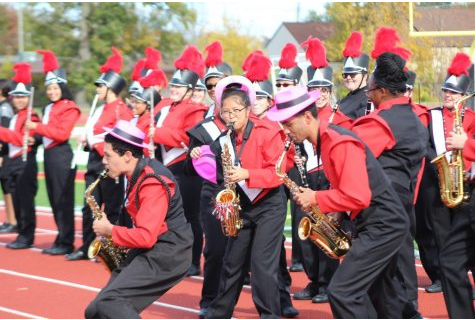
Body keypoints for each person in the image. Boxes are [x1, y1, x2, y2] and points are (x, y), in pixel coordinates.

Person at [267, 86, 409, 319]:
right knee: (382, 296)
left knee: (343, 292)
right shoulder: (326, 140)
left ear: (308, 116)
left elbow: (359, 196)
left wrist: (316, 198)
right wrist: (337, 212)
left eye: (288, 124)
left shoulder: (337, 141)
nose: (285, 131)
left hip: (383, 224)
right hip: (377, 223)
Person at [193, 76, 290, 318]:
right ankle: (219, 311)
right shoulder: (224, 138)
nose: (230, 116)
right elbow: (209, 159)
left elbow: (278, 173)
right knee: (232, 261)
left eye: (236, 110)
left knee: (261, 265)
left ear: (248, 110)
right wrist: (197, 152)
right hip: (243, 204)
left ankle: (270, 314)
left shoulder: (267, 131)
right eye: (225, 112)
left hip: (269, 204)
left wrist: (247, 173)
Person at [84, 120, 193, 319]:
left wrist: (109, 230)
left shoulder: (152, 182)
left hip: (168, 253)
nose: (104, 161)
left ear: (127, 156)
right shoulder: (135, 173)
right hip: (152, 249)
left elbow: (145, 237)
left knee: (111, 303)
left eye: (108, 156)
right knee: (94, 311)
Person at [352, 48, 427, 318]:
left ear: (382, 91)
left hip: (379, 212)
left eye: (370, 86)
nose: (368, 90)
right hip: (404, 206)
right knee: (396, 273)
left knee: (355, 286)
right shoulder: (416, 119)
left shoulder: (379, 123)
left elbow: (351, 158)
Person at [292, 37, 352, 305]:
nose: (319, 94)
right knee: (306, 235)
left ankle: (328, 284)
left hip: (329, 179)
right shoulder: (304, 117)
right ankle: (313, 280)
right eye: (314, 89)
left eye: (323, 89)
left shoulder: (340, 118)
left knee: (327, 231)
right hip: (307, 178)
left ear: (329, 91)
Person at [245, 52, 299, 317]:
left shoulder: (277, 123)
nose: (254, 104)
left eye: (259, 99)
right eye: (251, 100)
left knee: (272, 250)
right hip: (252, 191)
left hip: (275, 189)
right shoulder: (244, 124)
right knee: (266, 252)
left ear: (269, 100)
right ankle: (277, 300)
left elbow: (285, 161)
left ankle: (282, 299)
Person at [67, 47, 133, 261]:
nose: (97, 89)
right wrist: (87, 140)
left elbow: (119, 139)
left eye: (100, 86)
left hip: (111, 165)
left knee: (112, 208)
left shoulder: (121, 109)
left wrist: (95, 140)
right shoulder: (98, 109)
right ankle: (87, 246)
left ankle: (110, 248)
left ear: (111, 87)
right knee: (89, 207)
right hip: (94, 162)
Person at [151, 45, 208, 277]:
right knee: (165, 216)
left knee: (189, 217)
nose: (174, 89)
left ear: (189, 90)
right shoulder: (164, 106)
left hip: (185, 169)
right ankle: (169, 257)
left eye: (179, 86)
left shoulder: (195, 109)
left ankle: (193, 260)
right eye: (173, 85)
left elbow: (187, 137)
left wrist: (156, 134)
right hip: (162, 166)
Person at [427, 52, 474, 319]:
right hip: (449, 185)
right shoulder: (433, 115)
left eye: (453, 92)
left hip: (468, 189)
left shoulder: (472, 116)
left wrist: (464, 146)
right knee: (449, 258)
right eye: (446, 90)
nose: (448, 95)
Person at [23, 50, 81, 255]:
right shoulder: (48, 108)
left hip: (61, 156)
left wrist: (37, 128)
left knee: (63, 199)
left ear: (62, 87)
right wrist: (34, 138)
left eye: (55, 88)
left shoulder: (70, 107)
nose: (51, 91)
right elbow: (46, 135)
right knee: (53, 197)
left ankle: (66, 242)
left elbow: (61, 134)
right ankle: (60, 237)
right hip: (48, 155)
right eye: (49, 88)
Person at [0, 63, 40, 249]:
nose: (20, 100)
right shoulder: (15, 117)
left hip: (26, 162)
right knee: (16, 201)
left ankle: (27, 236)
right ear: (12, 99)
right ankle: (21, 233)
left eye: (23, 97)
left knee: (25, 202)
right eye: (17, 97)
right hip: (13, 162)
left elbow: (21, 139)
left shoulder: (32, 116)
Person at [274, 43, 305, 273]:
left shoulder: (301, 106)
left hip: (297, 166)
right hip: (277, 168)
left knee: (299, 213)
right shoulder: (273, 108)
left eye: (287, 84)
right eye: (279, 84)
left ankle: (300, 257)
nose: (282, 87)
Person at [338, 31, 371, 120]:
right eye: (345, 75)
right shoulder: (343, 100)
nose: (348, 77)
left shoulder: (368, 101)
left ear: (365, 75)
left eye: (353, 74)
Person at [0, 79, 17, 234]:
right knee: (5, 187)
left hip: (5, 153)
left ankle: (13, 221)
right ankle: (9, 219)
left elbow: (4, 132)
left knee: (8, 187)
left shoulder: (5, 107)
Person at [203, 41, 232, 118]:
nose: (213, 89)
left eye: (217, 85)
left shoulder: (237, 111)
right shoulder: (206, 113)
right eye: (209, 86)